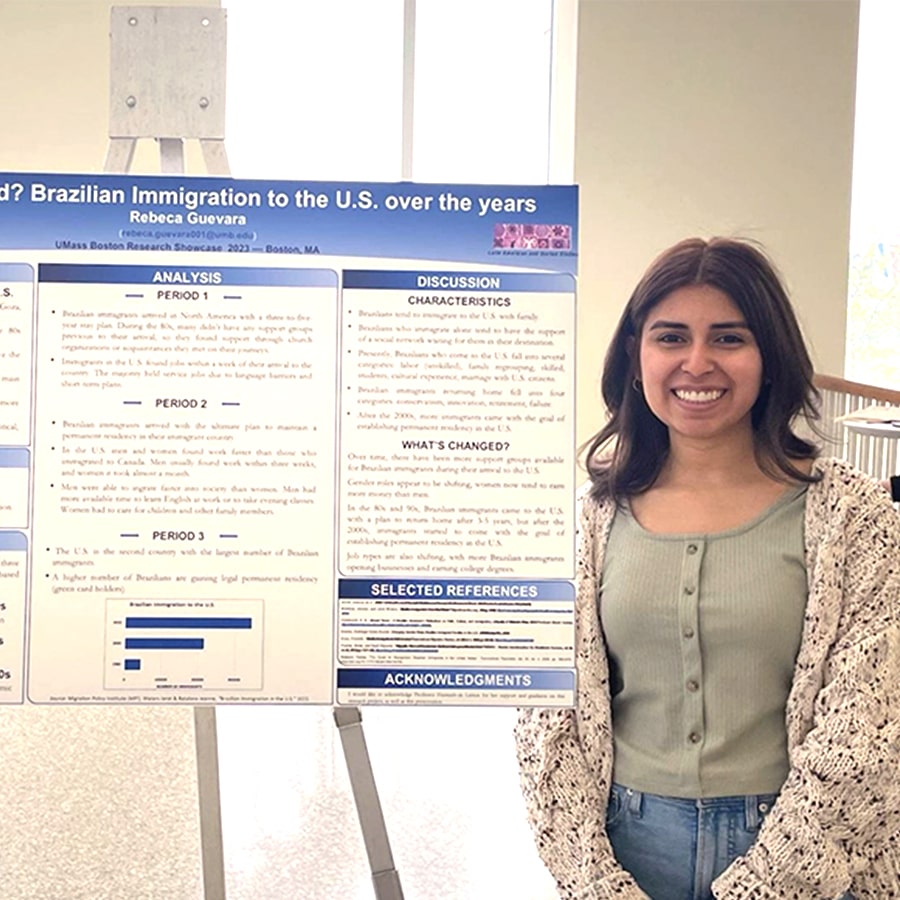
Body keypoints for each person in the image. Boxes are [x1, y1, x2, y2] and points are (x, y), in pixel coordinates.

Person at [515, 237, 900, 900]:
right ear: (637, 356)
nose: (698, 362)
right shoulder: (582, 522)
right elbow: (547, 724)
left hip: (812, 856)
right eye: (671, 337)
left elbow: (868, 728)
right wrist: (597, 883)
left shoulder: (856, 518)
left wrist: (769, 885)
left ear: (770, 356)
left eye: (728, 338)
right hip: (627, 848)